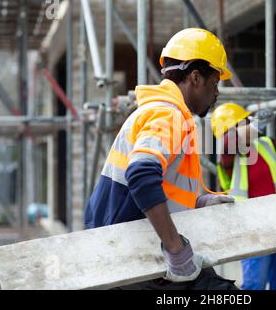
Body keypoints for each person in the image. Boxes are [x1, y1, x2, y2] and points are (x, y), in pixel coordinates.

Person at [84, 28, 238, 290]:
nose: (216, 94)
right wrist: (177, 251)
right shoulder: (168, 115)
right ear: (196, 77)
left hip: (129, 247)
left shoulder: (160, 111)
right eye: (215, 84)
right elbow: (142, 175)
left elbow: (159, 182)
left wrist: (196, 202)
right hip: (130, 254)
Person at [211, 103, 276, 290]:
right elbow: (229, 141)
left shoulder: (263, 144)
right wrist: (256, 124)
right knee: (254, 284)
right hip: (252, 226)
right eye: (244, 122)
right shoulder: (227, 155)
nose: (249, 124)